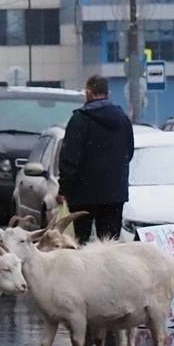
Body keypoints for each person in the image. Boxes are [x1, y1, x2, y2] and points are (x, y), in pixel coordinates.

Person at [57, 74, 134, 244]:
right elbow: (129, 152)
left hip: (83, 193)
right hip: (114, 192)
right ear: (107, 93)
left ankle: (84, 271)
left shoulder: (80, 120)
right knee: (109, 243)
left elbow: (70, 159)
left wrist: (63, 189)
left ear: (89, 92)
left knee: (81, 242)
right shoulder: (122, 119)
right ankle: (109, 271)